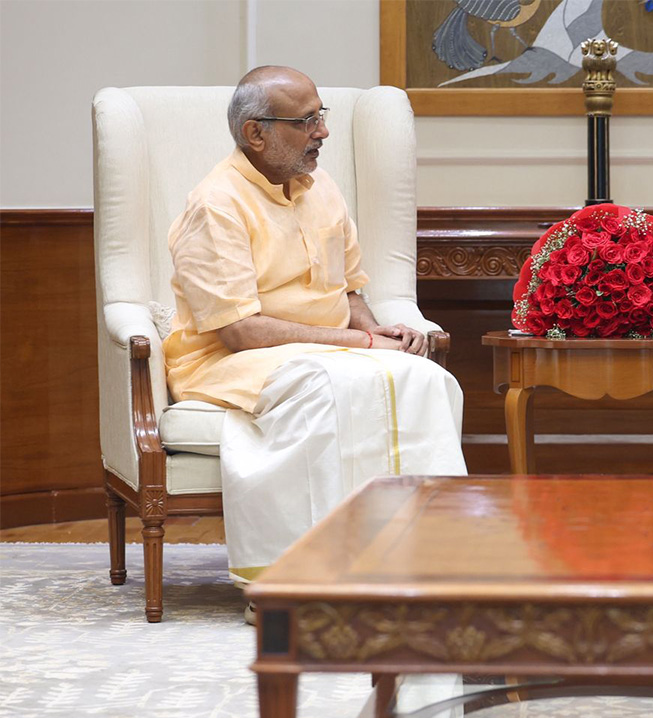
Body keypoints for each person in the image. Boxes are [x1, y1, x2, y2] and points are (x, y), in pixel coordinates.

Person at [165, 66, 467, 622]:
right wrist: (357, 343)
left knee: (430, 380)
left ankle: (425, 566)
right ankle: (290, 584)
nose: (322, 132)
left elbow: (348, 286)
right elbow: (239, 331)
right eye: (306, 122)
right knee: (329, 386)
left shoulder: (321, 187)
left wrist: (375, 329)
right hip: (228, 359)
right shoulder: (217, 205)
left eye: (320, 116)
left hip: (328, 346)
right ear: (256, 134)